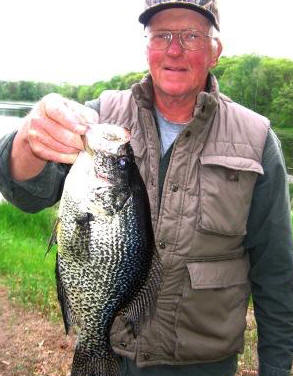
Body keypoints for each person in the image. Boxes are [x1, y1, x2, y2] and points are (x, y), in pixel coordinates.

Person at [0, 1, 292, 375]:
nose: (174, 49)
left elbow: (276, 273)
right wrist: (27, 142)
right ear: (146, 47)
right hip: (115, 353)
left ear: (215, 51)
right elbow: (27, 194)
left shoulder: (256, 139)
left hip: (204, 365)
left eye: (190, 36)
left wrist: (276, 368)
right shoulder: (99, 120)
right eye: (162, 36)